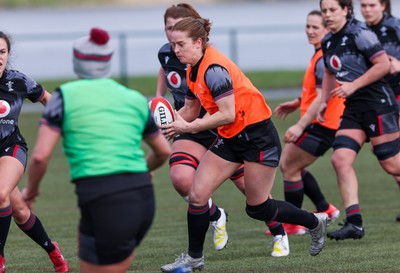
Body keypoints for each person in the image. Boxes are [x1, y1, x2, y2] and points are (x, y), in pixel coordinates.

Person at [160, 17, 329, 272]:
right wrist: (169, 122)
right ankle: (194, 258)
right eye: (173, 45)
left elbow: (227, 113)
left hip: (257, 137)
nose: (176, 50)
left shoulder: (214, 69)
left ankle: (314, 222)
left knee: (258, 207)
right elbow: (192, 109)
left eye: (180, 44)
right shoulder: (191, 68)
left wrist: (188, 128)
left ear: (198, 42)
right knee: (197, 195)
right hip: (230, 138)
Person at [21, 27, 171, 273]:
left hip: (106, 200)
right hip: (142, 199)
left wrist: (31, 191)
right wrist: (143, 169)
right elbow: (163, 151)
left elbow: (39, 156)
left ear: (76, 62)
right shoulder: (133, 98)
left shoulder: (64, 97)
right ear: (108, 61)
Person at [157, 3, 290, 258]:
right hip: (190, 122)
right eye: (168, 29)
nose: (173, 37)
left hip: (227, 128)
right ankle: (212, 222)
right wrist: (161, 110)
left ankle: (280, 233)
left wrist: (187, 123)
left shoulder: (211, 61)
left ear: (196, 36)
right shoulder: (168, 54)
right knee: (184, 181)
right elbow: (177, 93)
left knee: (255, 199)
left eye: (177, 29)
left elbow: (226, 111)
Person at [318, 0, 400, 240]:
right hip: (353, 107)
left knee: (392, 166)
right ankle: (355, 223)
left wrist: (353, 85)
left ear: (345, 10)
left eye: (333, 10)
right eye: (324, 11)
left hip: (378, 103)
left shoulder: (360, 33)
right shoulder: (328, 40)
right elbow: (330, 74)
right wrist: (324, 101)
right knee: (340, 159)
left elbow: (383, 64)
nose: (328, 15)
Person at [0, 31, 69, 273]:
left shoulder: (18, 81)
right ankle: (53, 250)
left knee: (0, 194)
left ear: (8, 55)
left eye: (2, 52)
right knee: (18, 211)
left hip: (11, 148)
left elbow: (47, 99)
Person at [272, 10, 343, 236]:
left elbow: (324, 95)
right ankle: (326, 209)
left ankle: (293, 224)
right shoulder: (321, 54)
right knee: (292, 166)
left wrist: (299, 125)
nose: (310, 31)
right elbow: (319, 91)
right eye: (308, 26)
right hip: (322, 123)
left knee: (290, 167)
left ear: (327, 30)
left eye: (316, 28)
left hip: (323, 124)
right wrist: (298, 102)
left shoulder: (323, 57)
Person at [359, 0, 400, 222]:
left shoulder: (395, 26)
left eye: (372, 5)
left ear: (383, 6)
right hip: (380, 99)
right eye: (363, 5)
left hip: (398, 93)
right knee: (387, 154)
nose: (367, 9)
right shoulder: (361, 31)